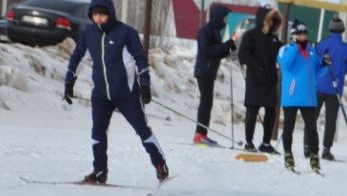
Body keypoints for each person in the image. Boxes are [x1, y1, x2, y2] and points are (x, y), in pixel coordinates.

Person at [63, 0, 168, 184]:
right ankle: (99, 170)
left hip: (126, 93)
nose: (98, 18)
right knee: (98, 130)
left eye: (102, 14)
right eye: (95, 15)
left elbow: (140, 59)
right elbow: (77, 58)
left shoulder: (126, 33)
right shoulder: (89, 34)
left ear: (110, 13)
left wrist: (144, 84)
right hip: (101, 94)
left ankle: (160, 165)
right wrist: (69, 82)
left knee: (141, 129)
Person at [277, 21, 326, 172]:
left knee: (312, 128)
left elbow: (317, 71)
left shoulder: (311, 52)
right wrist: (296, 47)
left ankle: (314, 156)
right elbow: (285, 64)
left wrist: (326, 65)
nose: (303, 37)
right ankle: (288, 154)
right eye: (300, 34)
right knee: (289, 128)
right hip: (291, 95)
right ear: (293, 36)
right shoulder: (285, 49)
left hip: (309, 97)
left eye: (305, 34)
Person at [314, 16, 347, 162]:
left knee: (312, 117)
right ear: (342, 30)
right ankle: (326, 150)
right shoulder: (346, 49)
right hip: (335, 90)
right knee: (330, 121)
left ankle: (307, 146)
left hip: (318, 86)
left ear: (329, 29)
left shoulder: (321, 44)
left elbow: (313, 61)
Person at [238, 5, 282, 153]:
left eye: (274, 19)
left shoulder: (274, 38)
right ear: (263, 19)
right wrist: (258, 67)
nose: (272, 22)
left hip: (270, 82)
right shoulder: (250, 35)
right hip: (255, 80)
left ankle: (266, 143)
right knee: (252, 110)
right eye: (270, 18)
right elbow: (243, 56)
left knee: (271, 112)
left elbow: (282, 54)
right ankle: (248, 141)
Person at [193, 3, 236, 146]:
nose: (226, 20)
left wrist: (228, 48)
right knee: (205, 102)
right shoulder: (206, 31)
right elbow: (207, 51)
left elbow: (216, 54)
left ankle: (202, 134)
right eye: (225, 17)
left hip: (209, 71)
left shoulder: (216, 32)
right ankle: (199, 134)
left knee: (208, 102)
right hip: (204, 71)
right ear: (218, 17)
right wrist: (224, 46)